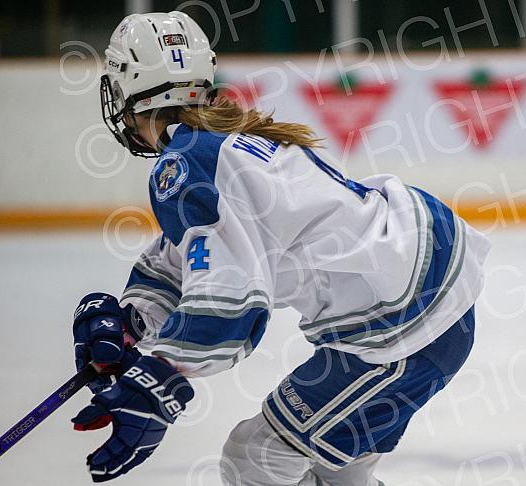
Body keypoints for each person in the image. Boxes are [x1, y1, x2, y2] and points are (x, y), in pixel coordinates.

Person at [71, 11, 491, 485]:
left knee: (257, 457)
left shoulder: (188, 163)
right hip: (420, 294)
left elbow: (229, 307)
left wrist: (158, 380)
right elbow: (189, 257)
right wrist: (131, 322)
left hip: (404, 326)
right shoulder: (218, 142)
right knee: (338, 473)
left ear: (127, 89)